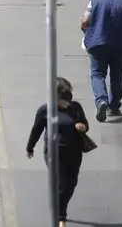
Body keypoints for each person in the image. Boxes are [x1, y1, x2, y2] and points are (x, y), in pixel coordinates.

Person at [25, 77, 90, 227]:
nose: (68, 100)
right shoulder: (45, 110)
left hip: (74, 152)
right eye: (64, 96)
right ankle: (61, 216)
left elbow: (85, 124)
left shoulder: (76, 108)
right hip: (54, 153)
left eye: (69, 94)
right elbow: (37, 129)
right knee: (64, 184)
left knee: (71, 183)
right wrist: (30, 147)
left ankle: (59, 205)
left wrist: (83, 126)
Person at [81, 0, 122, 121]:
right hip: (121, 46)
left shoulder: (95, 0)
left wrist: (87, 32)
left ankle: (101, 100)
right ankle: (114, 107)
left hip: (98, 43)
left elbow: (84, 21)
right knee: (118, 76)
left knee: (97, 74)